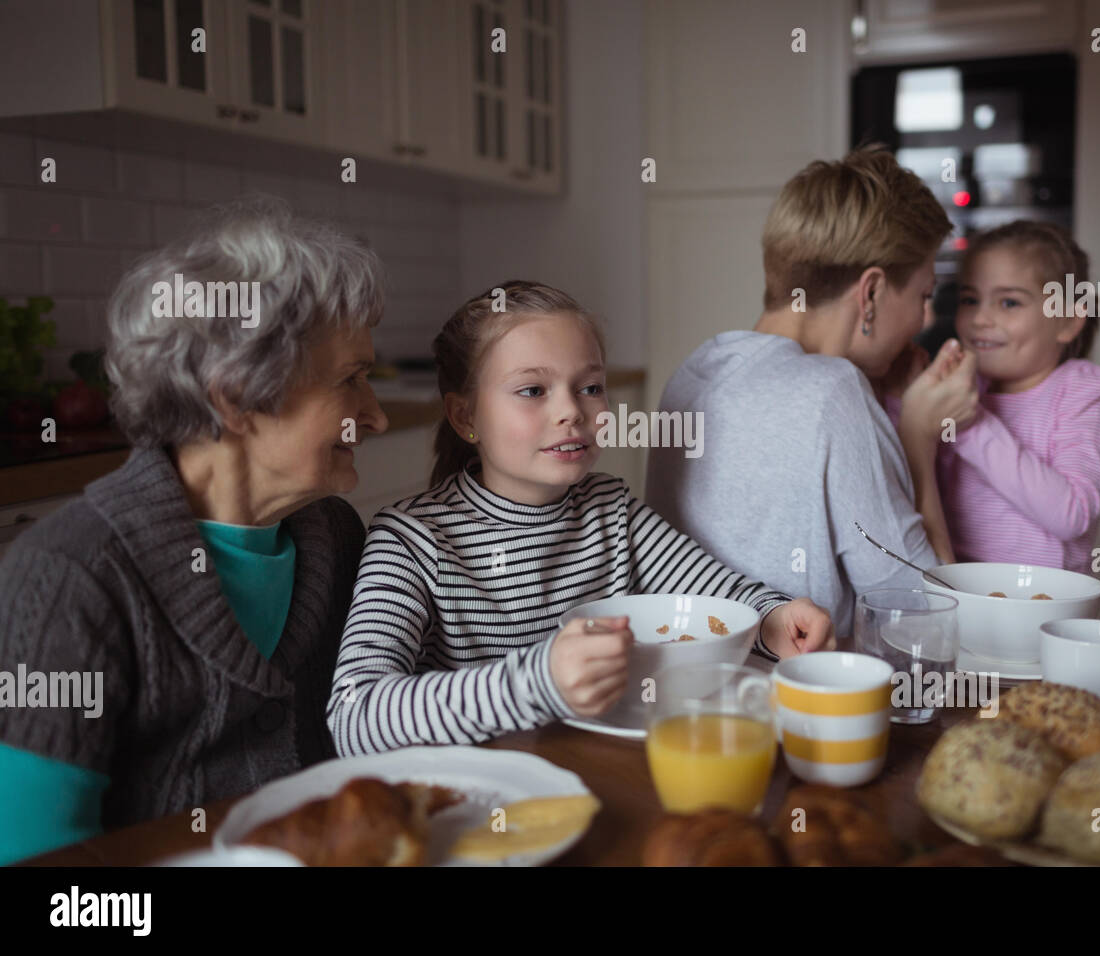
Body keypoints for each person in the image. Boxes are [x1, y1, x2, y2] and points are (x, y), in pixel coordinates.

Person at [0, 197, 389, 864]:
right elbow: (43, 870)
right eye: (351, 381)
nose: (377, 417)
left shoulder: (335, 536)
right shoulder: (70, 576)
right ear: (235, 397)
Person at [327, 281, 834, 753]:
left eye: (590, 387)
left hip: (603, 776)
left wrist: (772, 620)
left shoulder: (610, 511)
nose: (572, 410)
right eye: (533, 391)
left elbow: (717, 595)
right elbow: (354, 716)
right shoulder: (411, 540)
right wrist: (539, 683)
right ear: (465, 417)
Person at [645, 144, 978, 637]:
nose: (925, 319)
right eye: (923, 296)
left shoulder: (693, 372)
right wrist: (916, 437)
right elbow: (929, 619)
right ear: (870, 293)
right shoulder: (833, 391)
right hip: (797, 705)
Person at [935, 220, 1100, 571]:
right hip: (961, 594)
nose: (980, 318)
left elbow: (1072, 514)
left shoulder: (1084, 391)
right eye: (970, 299)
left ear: (1068, 320)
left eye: (1009, 302)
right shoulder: (966, 387)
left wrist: (972, 424)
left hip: (1042, 607)